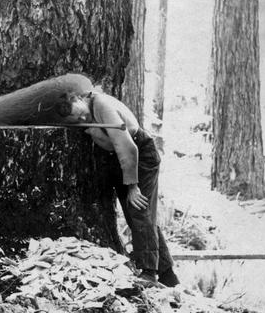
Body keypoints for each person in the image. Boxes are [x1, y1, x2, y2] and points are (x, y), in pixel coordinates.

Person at [58, 88, 178, 287]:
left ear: (78, 98)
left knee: (140, 209)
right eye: (76, 119)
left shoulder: (102, 105)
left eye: (80, 113)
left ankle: (149, 273)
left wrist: (133, 187)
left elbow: (127, 147)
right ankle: (167, 274)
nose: (81, 118)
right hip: (119, 160)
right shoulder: (85, 111)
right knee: (135, 216)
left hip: (139, 156)